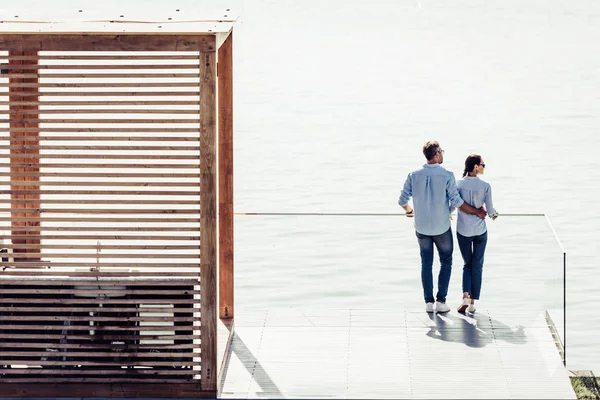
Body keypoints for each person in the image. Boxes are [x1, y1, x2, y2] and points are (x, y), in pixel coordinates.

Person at [399, 141, 486, 313]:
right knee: (446, 261)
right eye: (442, 152)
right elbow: (457, 201)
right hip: (441, 227)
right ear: (437, 154)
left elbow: (402, 200)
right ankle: (441, 301)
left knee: (426, 263)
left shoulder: (413, 175)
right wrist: (477, 212)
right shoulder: (447, 175)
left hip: (422, 228)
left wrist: (410, 211)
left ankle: (428, 303)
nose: (443, 154)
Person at [455, 154, 498, 313]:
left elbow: (455, 204)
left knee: (467, 263)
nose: (484, 167)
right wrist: (493, 215)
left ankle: (465, 295)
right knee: (477, 264)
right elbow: (491, 211)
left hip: (463, 230)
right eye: (482, 165)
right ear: (475, 167)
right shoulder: (485, 186)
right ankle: (472, 303)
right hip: (480, 231)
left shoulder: (457, 184)